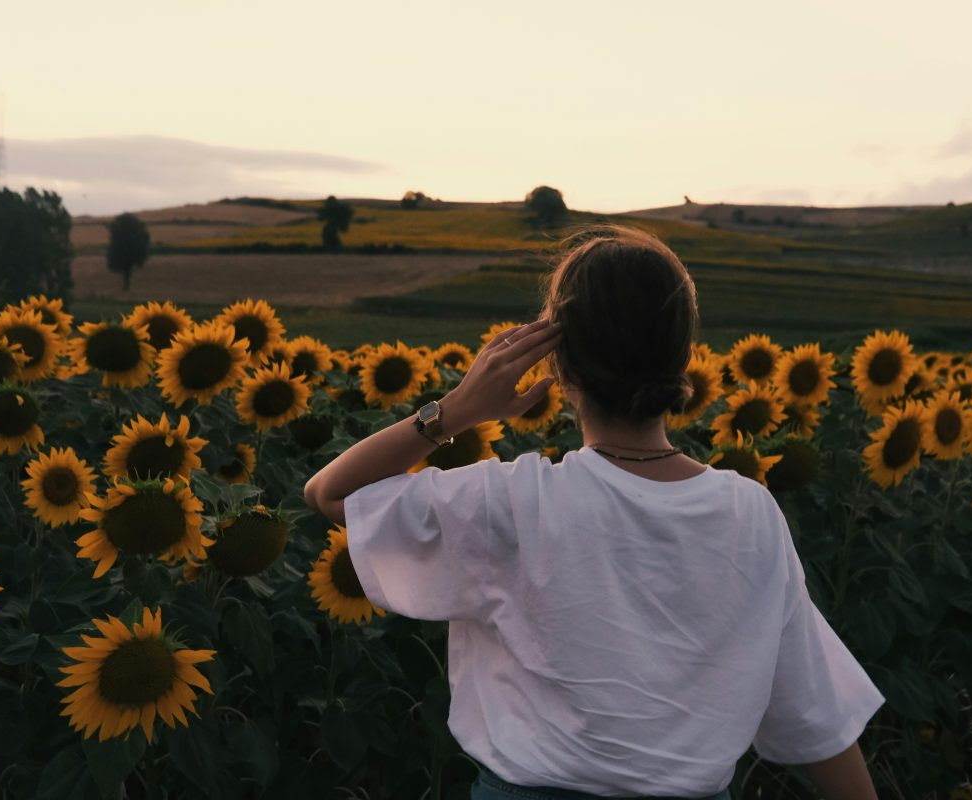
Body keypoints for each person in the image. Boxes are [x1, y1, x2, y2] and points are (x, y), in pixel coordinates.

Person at [303, 225, 885, 800]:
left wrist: (454, 411)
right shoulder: (750, 513)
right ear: (683, 357)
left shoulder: (511, 502)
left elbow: (331, 493)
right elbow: (814, 711)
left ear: (560, 364)